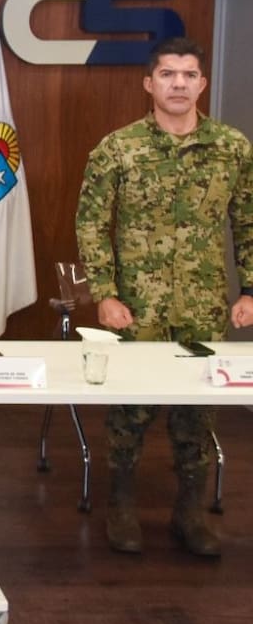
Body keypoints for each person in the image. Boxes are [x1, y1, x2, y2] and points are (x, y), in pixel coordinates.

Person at [76, 36, 253, 557]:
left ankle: (189, 513)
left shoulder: (232, 148)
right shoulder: (120, 147)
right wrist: (105, 293)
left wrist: (250, 288)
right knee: (129, 409)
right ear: (148, 83)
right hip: (137, 306)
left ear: (202, 83)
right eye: (168, 74)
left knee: (197, 411)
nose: (179, 84)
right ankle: (121, 506)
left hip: (202, 303)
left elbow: (248, 222)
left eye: (189, 74)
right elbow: (91, 223)